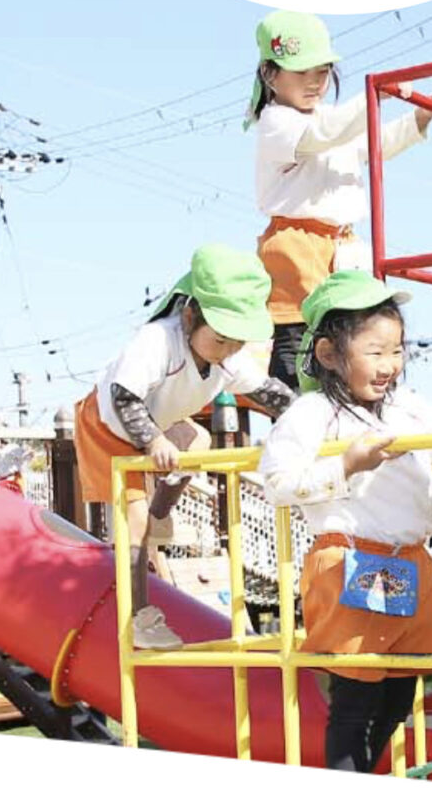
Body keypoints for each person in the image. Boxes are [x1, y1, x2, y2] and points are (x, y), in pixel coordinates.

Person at [257, 270, 432, 773]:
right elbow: (277, 481)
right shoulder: (314, 412)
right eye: (375, 351)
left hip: (410, 564)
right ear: (329, 354)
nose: (389, 364)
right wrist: (347, 465)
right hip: (353, 560)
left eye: (397, 350)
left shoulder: (407, 407)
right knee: (354, 706)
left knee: (396, 700)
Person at [74, 244, 296, 650]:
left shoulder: (228, 356)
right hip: (108, 428)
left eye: (237, 342)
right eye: (222, 340)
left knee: (197, 440)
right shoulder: (159, 340)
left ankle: (160, 515)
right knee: (133, 520)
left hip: (157, 424)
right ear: (191, 316)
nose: (229, 350)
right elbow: (124, 396)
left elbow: (269, 393)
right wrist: (153, 439)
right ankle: (140, 618)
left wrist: (311, 420)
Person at [246, 9, 432, 390]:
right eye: (301, 73)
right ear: (269, 75)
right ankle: (295, 403)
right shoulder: (277, 122)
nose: (314, 83)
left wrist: (418, 120)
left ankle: (348, 409)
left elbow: (373, 143)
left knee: (350, 335)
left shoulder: (330, 119)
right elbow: (326, 134)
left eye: (322, 73)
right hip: (298, 242)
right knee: (301, 332)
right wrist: (376, 95)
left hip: (342, 243)